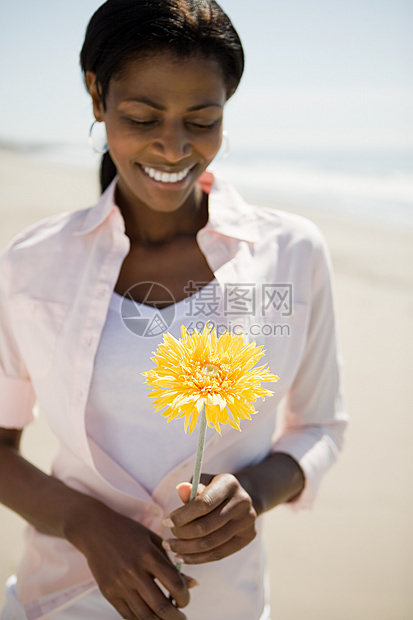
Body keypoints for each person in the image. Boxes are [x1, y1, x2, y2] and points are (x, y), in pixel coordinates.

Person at [0, 1, 348, 619]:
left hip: (225, 605)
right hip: (61, 600)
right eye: (142, 116)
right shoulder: (32, 264)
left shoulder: (291, 253)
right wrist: (86, 525)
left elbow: (319, 427)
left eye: (203, 119)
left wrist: (259, 492)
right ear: (95, 95)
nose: (173, 146)